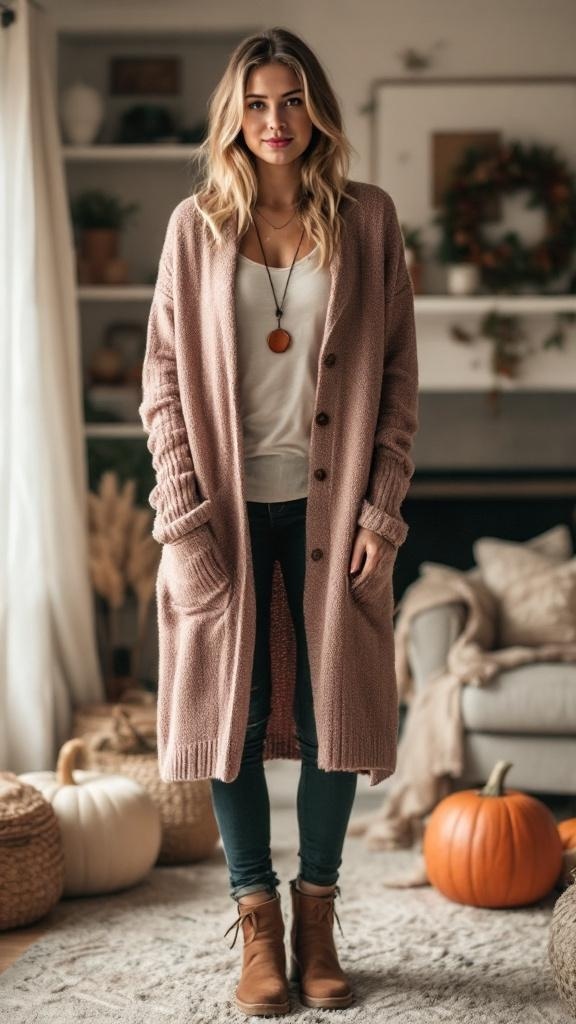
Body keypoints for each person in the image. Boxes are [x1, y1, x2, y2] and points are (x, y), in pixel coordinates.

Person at [140, 24, 419, 1018]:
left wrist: (382, 513)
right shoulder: (194, 227)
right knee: (235, 718)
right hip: (221, 510)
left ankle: (318, 919)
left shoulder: (372, 220)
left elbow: (396, 384)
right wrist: (181, 515)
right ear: (234, 115)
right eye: (255, 103)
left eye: (290, 99)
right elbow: (162, 381)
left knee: (335, 713)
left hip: (331, 507)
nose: (274, 120)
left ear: (317, 109)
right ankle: (256, 922)